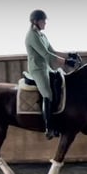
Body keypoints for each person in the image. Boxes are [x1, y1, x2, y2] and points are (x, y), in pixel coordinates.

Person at [25, 9, 75, 140]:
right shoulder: (32, 36)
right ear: (36, 21)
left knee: (61, 81)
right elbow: (46, 55)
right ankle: (49, 127)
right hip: (37, 69)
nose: (45, 24)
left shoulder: (42, 35)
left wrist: (70, 54)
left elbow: (53, 51)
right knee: (47, 94)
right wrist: (66, 61)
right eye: (43, 21)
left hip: (46, 67)